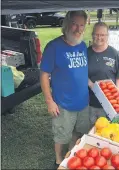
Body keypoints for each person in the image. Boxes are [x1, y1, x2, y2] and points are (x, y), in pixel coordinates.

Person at [40, 10, 89, 169]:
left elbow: (81, 72)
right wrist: (49, 101)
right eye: (75, 24)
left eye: (82, 25)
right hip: (63, 103)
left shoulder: (82, 45)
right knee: (61, 135)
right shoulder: (53, 47)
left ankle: (72, 154)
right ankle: (58, 160)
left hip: (83, 101)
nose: (78, 29)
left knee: (78, 131)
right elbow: (44, 74)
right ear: (67, 24)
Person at [88, 22, 119, 126]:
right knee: (91, 130)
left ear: (107, 36)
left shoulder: (114, 53)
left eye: (102, 35)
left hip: (109, 104)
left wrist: (116, 91)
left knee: (107, 132)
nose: (99, 37)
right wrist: (92, 86)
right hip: (90, 102)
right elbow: (81, 73)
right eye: (96, 34)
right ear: (92, 35)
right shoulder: (86, 53)